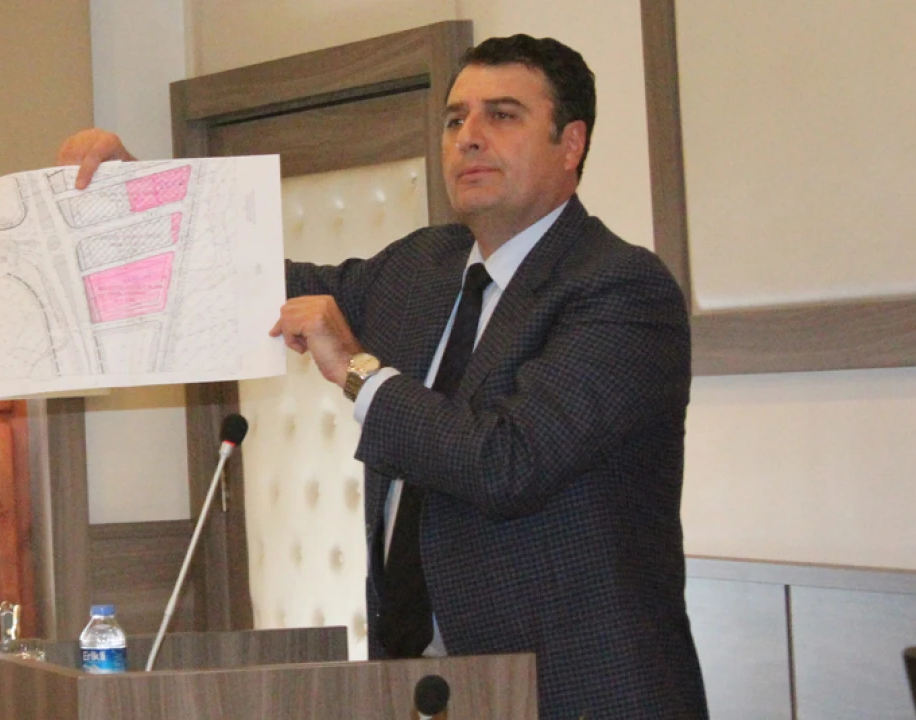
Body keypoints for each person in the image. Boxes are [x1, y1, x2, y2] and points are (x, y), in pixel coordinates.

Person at [59, 33, 708, 720]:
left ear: (570, 143)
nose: (469, 136)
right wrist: (137, 198)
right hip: (422, 690)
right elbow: (249, 285)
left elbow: (506, 462)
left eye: (502, 115)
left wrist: (358, 373)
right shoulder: (424, 267)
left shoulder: (619, 289)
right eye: (455, 119)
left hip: (576, 695)